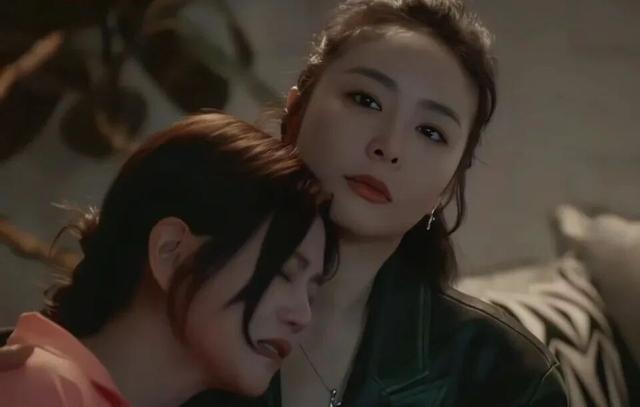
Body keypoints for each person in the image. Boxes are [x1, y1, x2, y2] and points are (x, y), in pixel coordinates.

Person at [184, 0, 567, 405]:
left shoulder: (503, 375)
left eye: (430, 131)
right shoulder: (181, 291)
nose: (389, 147)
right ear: (295, 114)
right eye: (366, 100)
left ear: (449, 186)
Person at [0, 113, 339, 406]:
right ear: (171, 251)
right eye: (284, 272)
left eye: (312, 294)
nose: (303, 316)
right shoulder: (44, 388)